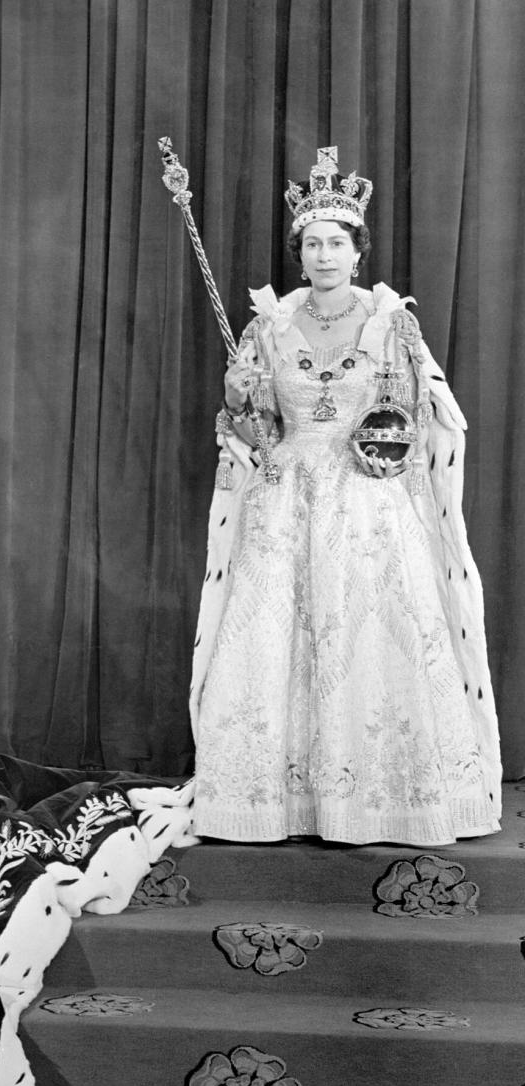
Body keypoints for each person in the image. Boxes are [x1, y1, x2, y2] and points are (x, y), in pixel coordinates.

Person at [189, 147, 501, 847]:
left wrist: (382, 439)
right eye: (312, 244)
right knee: (280, 638)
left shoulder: (395, 325)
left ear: (358, 252)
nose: (324, 254)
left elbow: (414, 419)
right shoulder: (265, 327)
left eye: (337, 242)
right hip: (284, 501)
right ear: (298, 254)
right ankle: (275, 801)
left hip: (369, 503)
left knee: (371, 633)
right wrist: (238, 397)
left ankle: (387, 798)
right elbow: (255, 430)